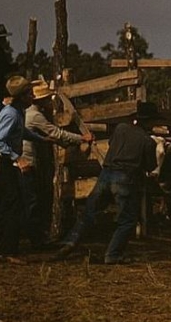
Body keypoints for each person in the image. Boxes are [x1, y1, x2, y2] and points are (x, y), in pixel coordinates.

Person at [57, 104, 159, 264]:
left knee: (89, 211)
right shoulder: (148, 141)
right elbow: (150, 166)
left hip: (106, 173)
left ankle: (70, 242)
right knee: (127, 220)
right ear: (150, 122)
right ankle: (113, 254)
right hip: (125, 177)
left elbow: (112, 144)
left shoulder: (120, 128)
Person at [21, 80, 93, 247]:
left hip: (28, 159)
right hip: (28, 160)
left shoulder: (27, 113)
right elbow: (56, 133)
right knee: (32, 200)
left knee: (29, 199)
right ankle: (36, 239)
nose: (49, 102)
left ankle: (33, 237)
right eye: (47, 99)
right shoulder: (35, 115)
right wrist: (81, 138)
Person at [0, 76, 46, 263]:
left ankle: (2, 246)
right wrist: (18, 158)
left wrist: (42, 139)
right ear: (22, 96)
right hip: (0, 161)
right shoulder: (10, 113)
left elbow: (20, 132)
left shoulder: (18, 112)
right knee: (13, 204)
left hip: (4, 161)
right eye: (30, 94)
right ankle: (8, 250)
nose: (33, 96)